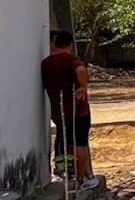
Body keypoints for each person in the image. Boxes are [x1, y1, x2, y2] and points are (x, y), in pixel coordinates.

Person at [41, 30, 98, 189]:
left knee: (70, 143)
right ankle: (81, 181)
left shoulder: (46, 63)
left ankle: (81, 174)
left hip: (59, 112)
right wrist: (83, 87)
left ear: (54, 44)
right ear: (70, 45)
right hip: (77, 110)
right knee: (80, 143)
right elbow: (80, 69)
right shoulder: (71, 59)